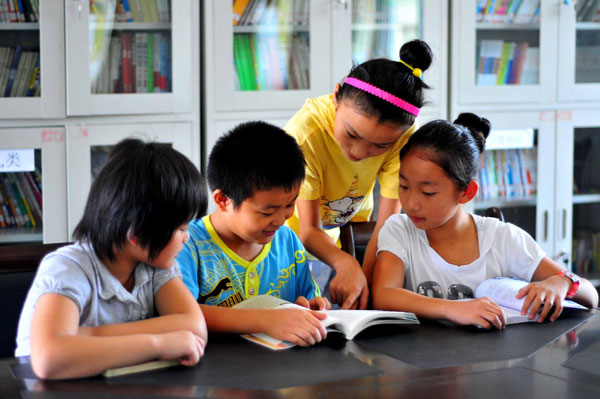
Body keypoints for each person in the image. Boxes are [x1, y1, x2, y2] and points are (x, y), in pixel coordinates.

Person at [371, 114, 599, 328]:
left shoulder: (503, 238)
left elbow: (590, 295)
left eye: (428, 193)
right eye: (404, 187)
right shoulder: (399, 229)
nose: (411, 203)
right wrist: (453, 309)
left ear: (467, 192)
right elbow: (384, 294)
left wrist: (562, 283)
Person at [15, 138, 209, 379]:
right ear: (136, 234)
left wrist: (88, 336)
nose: (187, 238)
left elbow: (194, 327)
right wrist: (158, 343)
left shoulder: (155, 266)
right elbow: (49, 359)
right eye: (181, 229)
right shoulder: (68, 268)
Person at [285, 39, 433, 310]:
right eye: (352, 133)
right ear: (337, 95)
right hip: (285, 243)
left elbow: (388, 223)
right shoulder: (306, 135)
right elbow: (307, 230)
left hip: (344, 233)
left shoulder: (404, 136)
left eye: (381, 146)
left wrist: (365, 276)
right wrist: (346, 263)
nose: (360, 151)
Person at [177, 121, 330, 347]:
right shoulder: (187, 244)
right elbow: (181, 315)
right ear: (223, 200)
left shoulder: (287, 241)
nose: (281, 219)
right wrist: (264, 320)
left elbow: (306, 298)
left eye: (290, 205)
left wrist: (312, 308)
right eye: (267, 211)